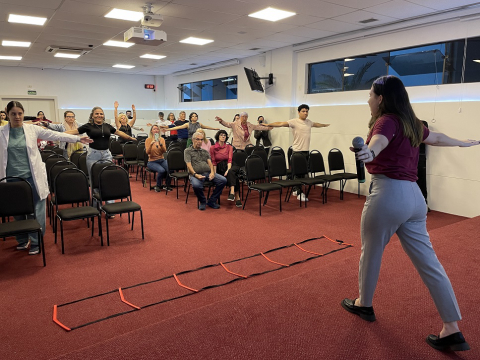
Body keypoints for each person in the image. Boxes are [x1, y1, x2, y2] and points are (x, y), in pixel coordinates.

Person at [340, 75, 479, 352]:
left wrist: (370, 152)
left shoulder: (386, 119)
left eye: (370, 94)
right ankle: (451, 328)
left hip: (388, 195)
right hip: (415, 199)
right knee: (430, 264)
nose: (368, 99)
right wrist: (463, 142)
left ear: (381, 98)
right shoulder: (411, 122)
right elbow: (437, 137)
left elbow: (379, 141)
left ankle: (363, 304)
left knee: (371, 253)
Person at [0, 100, 92, 255]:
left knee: (37, 209)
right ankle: (22, 240)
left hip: (32, 176)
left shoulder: (31, 129)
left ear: (23, 114)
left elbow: (55, 134)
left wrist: (78, 139)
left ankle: (36, 241)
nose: (17, 117)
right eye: (13, 114)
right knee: (16, 211)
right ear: (7, 114)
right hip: (11, 178)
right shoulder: (2, 132)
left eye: (20, 113)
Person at [268, 104, 330, 201]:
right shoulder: (294, 122)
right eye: (303, 111)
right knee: (298, 174)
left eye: (307, 111)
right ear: (299, 112)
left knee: (304, 173)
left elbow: (316, 124)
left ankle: (296, 189)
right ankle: (299, 192)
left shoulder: (309, 122)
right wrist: (268, 125)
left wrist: (324, 125)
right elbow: (281, 123)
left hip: (306, 152)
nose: (305, 113)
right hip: (297, 152)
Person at [184, 131, 226, 210]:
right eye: (197, 139)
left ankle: (212, 201)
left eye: (201, 140)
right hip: (195, 175)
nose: (199, 142)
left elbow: (210, 163)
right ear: (193, 140)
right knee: (196, 186)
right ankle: (203, 201)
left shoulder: (204, 151)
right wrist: (196, 175)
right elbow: (188, 165)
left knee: (223, 180)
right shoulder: (187, 151)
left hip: (207, 173)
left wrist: (213, 172)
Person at [210, 130, 242, 207]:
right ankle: (237, 197)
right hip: (220, 167)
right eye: (221, 135)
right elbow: (213, 162)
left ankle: (232, 192)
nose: (223, 136)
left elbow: (230, 159)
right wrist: (214, 174)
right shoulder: (213, 147)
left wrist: (228, 169)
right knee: (235, 176)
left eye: (224, 135)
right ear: (218, 136)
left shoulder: (229, 147)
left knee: (231, 171)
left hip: (230, 165)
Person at [145, 125, 172, 192]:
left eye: (157, 129)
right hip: (152, 161)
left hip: (161, 159)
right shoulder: (148, 140)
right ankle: (158, 185)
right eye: (154, 129)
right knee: (162, 170)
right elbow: (147, 152)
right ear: (151, 131)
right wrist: (151, 144)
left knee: (170, 169)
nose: (156, 130)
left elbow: (164, 151)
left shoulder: (162, 139)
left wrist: (161, 144)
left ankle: (167, 185)